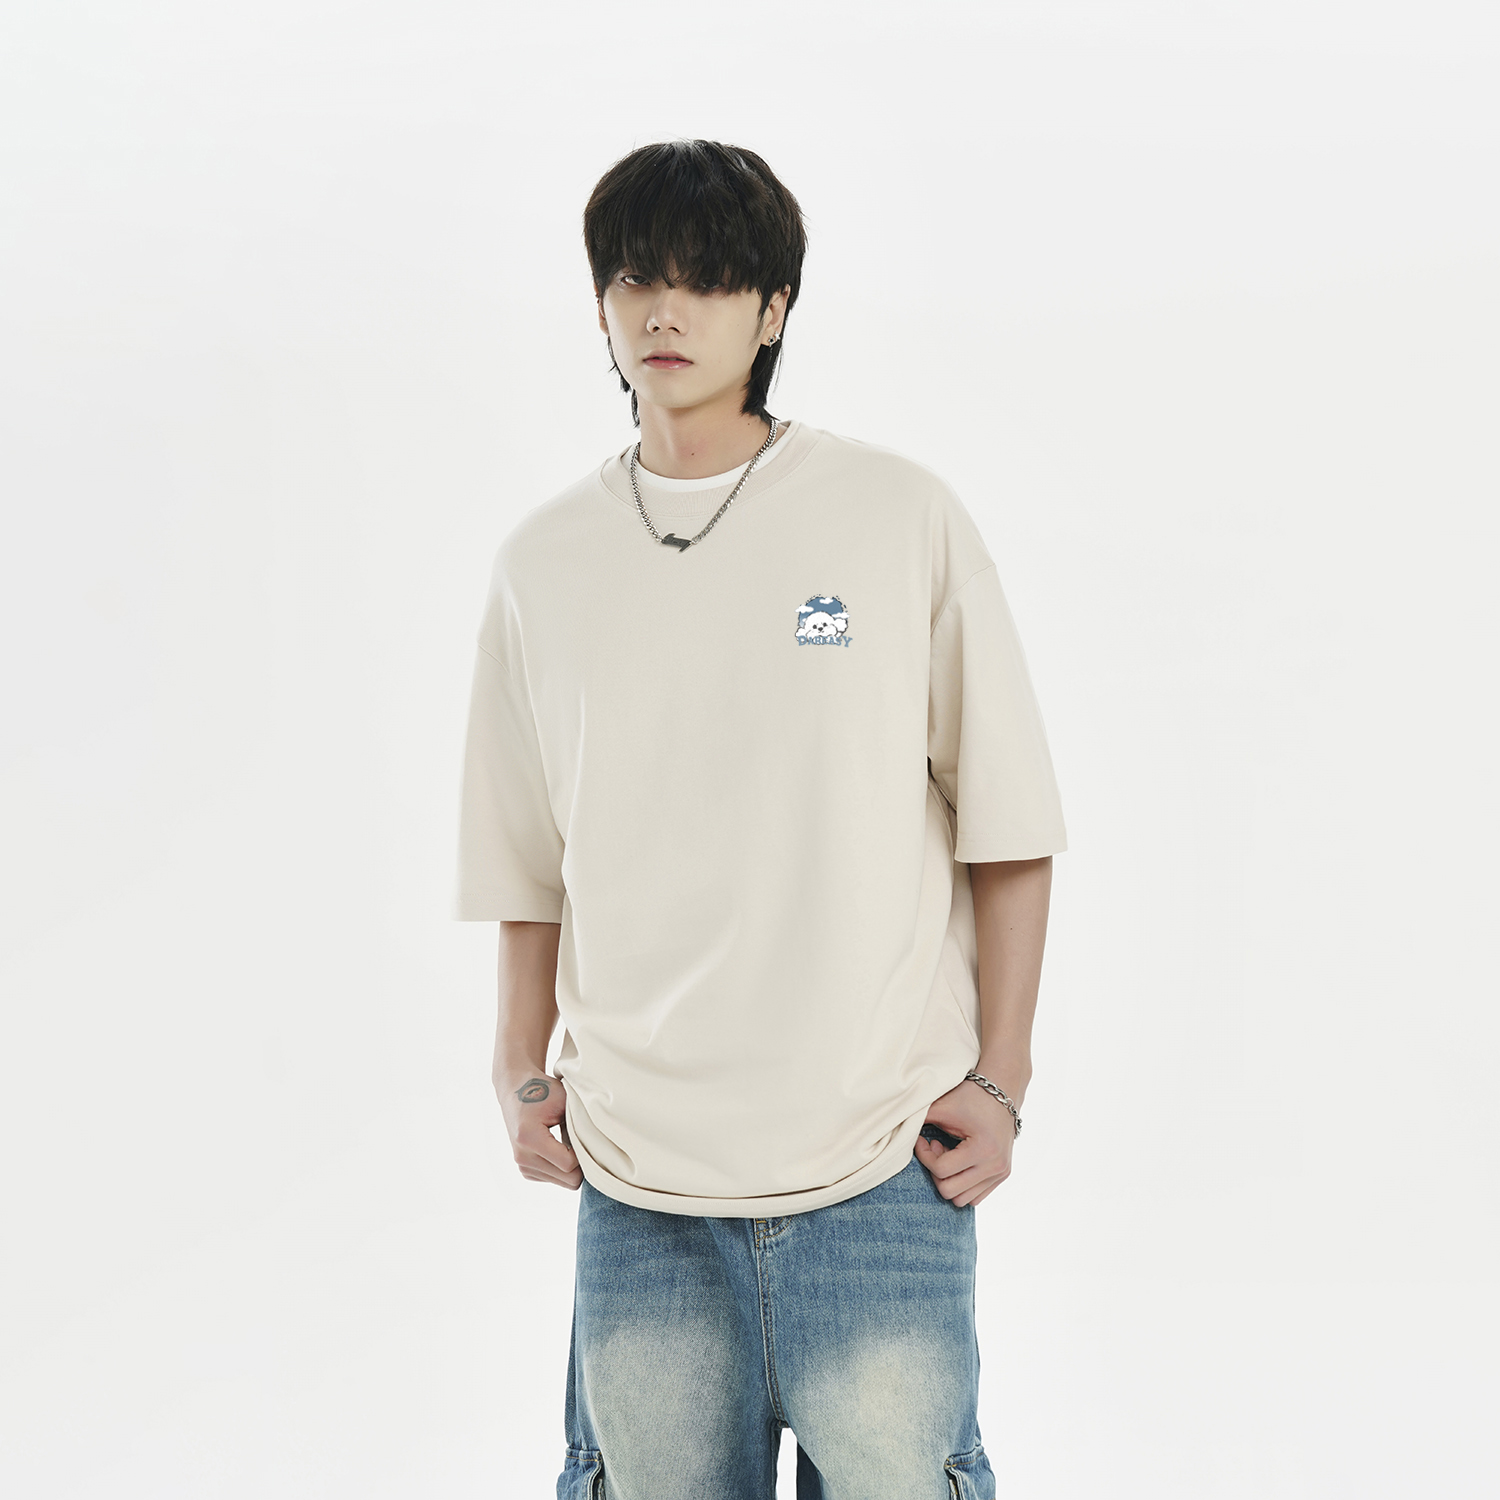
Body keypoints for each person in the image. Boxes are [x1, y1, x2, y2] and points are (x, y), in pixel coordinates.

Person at [454, 139, 1066, 1500]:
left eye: (706, 281)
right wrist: (515, 1070)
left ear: (773, 308)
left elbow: (1008, 820)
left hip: (881, 1164)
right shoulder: (543, 563)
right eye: (634, 281)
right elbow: (525, 856)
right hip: (640, 1184)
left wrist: (1004, 1078)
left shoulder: (896, 516)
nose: (664, 312)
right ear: (600, 305)